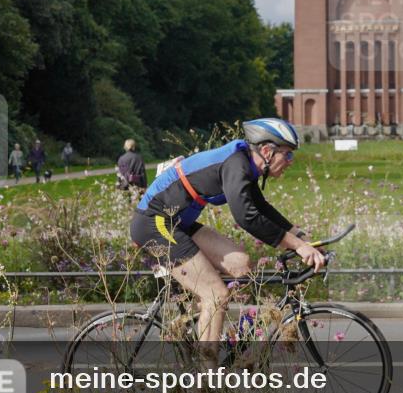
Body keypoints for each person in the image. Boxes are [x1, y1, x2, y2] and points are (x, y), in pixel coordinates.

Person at [130, 118, 324, 366]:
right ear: (266, 151)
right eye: (286, 155)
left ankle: (198, 325)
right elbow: (247, 217)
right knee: (216, 294)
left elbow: (261, 207)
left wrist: (303, 238)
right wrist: (298, 247)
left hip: (179, 223)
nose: (290, 162)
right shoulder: (236, 165)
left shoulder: (246, 166)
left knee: (240, 264)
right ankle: (205, 382)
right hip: (154, 224)